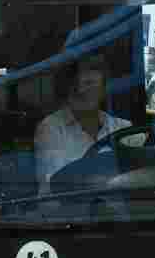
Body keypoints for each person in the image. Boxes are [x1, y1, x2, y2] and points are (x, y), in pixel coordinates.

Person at [33, 50, 132, 193]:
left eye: (90, 84)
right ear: (67, 89)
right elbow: (54, 188)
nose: (81, 90)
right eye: (76, 85)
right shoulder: (51, 129)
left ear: (103, 88)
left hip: (125, 214)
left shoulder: (122, 128)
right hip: (74, 214)